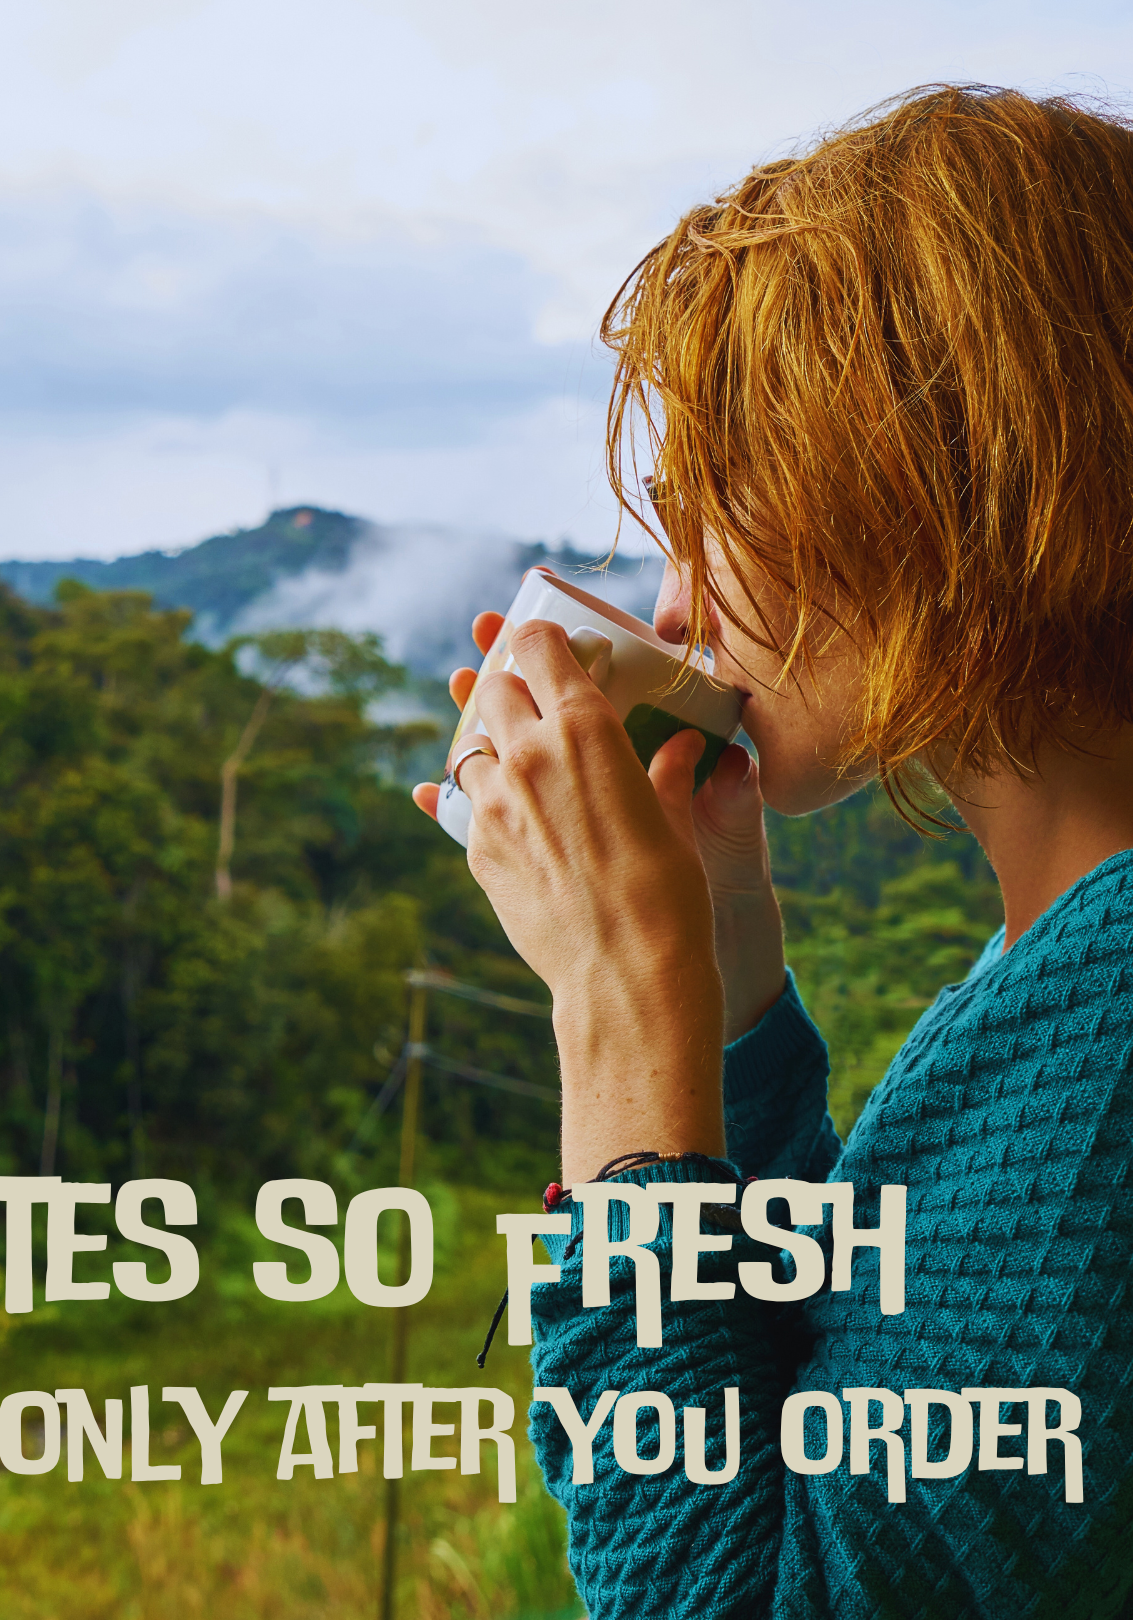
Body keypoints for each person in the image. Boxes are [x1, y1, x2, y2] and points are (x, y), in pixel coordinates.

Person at [412, 85, 1133, 1617]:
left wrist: (616, 1020)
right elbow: (845, 1387)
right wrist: (730, 990)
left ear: (926, 483)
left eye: (709, 515)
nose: (670, 611)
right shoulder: (1062, 948)